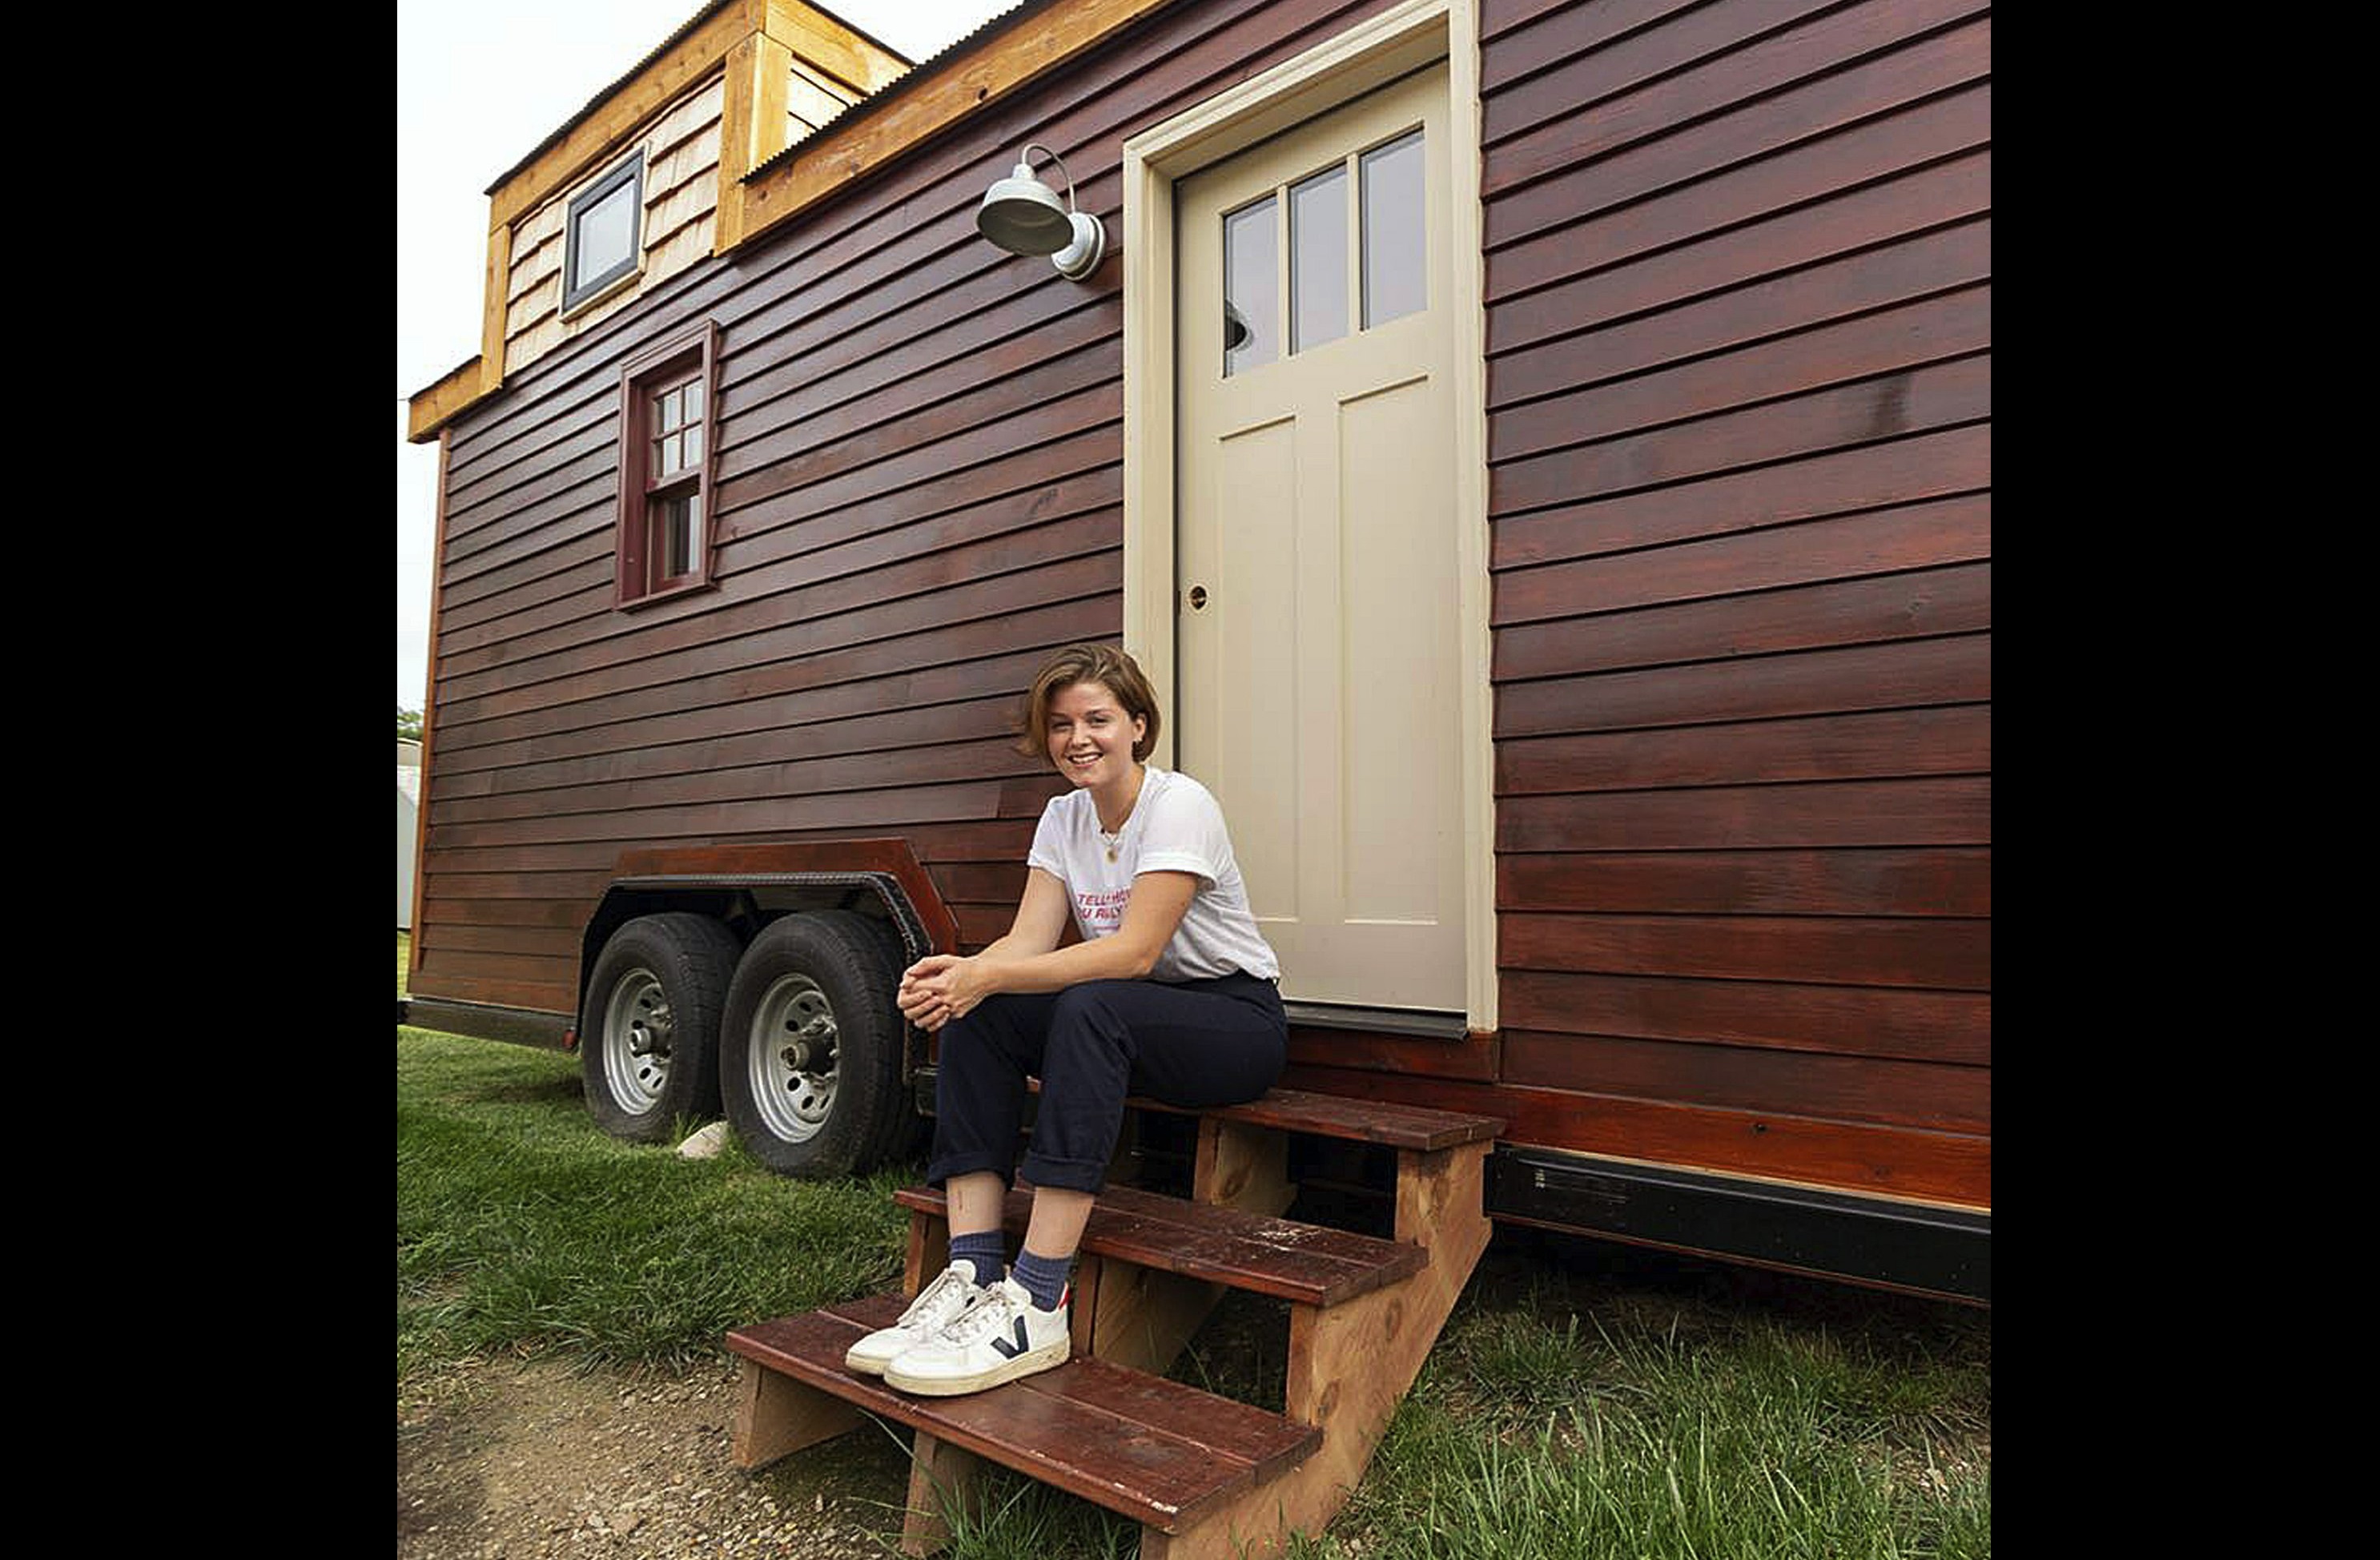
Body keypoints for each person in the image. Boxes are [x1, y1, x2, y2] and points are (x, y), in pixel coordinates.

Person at [842, 642, 1287, 1397]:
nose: (1078, 739)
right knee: (986, 1010)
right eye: (1060, 725)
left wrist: (988, 973)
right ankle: (973, 1276)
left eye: (1098, 719)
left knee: (1090, 999)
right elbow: (1027, 943)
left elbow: (1136, 953)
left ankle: (1038, 1300)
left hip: (1233, 1023)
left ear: (1139, 726)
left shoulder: (1180, 805)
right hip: (1131, 1018)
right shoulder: (1063, 817)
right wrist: (964, 978)